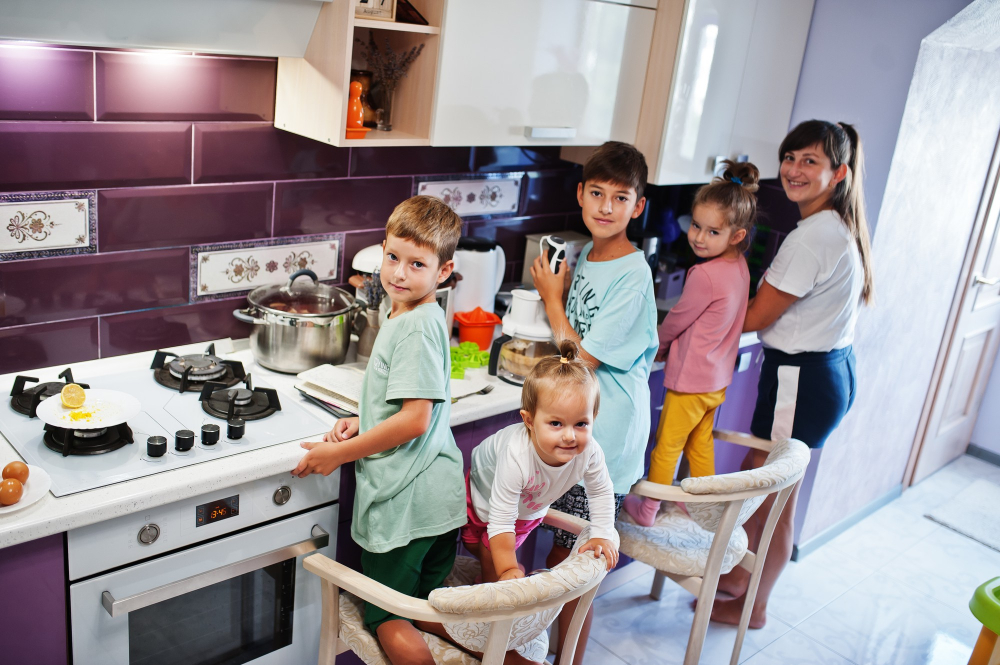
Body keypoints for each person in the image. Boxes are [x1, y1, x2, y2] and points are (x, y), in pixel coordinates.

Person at [711, 120, 873, 629]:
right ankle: (741, 581)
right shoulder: (836, 227)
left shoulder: (812, 237)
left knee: (773, 494)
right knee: (764, 481)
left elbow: (757, 318)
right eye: (791, 157)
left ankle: (753, 606)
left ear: (838, 173)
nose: (794, 170)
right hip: (824, 372)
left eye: (810, 161)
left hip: (799, 381)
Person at [291, 195, 467, 665]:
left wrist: (337, 455)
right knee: (427, 610)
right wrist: (364, 420)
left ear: (443, 272)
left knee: (388, 617)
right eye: (392, 257)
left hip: (406, 507)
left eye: (417, 264)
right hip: (436, 501)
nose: (399, 274)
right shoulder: (414, 315)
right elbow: (405, 402)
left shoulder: (412, 327)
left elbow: (415, 420)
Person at [530, 141, 658, 665]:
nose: (606, 207)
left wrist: (551, 299)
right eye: (597, 193)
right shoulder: (587, 253)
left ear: (638, 206)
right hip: (580, 426)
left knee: (578, 561)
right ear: (581, 194)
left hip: (605, 435)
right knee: (566, 553)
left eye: (620, 197)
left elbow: (584, 358)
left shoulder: (633, 272)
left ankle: (569, 660)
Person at [622, 160, 757, 526]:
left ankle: (649, 509)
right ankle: (702, 506)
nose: (698, 237)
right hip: (716, 379)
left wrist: (657, 346)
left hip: (691, 379)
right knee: (700, 443)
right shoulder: (739, 267)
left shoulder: (704, 274)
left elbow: (679, 318)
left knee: (667, 444)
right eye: (696, 225)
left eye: (712, 232)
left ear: (737, 235)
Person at [463, 340, 619, 584]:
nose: (569, 436)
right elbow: (501, 518)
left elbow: (600, 491)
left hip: (526, 508)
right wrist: (508, 569)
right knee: (471, 543)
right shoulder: (517, 455)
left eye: (581, 423)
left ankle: (493, 603)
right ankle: (496, 575)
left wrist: (601, 534)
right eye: (556, 423)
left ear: (594, 418)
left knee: (490, 557)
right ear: (529, 420)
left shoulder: (590, 452)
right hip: (478, 488)